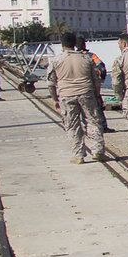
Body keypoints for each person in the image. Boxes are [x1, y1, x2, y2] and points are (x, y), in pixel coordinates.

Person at [49, 32, 106, 163]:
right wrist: (97, 95)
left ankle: (78, 155)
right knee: (93, 122)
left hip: (66, 95)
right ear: (75, 44)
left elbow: (51, 83)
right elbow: (96, 80)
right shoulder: (86, 58)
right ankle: (98, 151)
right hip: (86, 93)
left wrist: (55, 99)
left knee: (72, 125)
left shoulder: (56, 60)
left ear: (62, 44)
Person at [76, 35, 111, 132]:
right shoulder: (91, 56)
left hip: (77, 88)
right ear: (84, 44)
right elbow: (102, 68)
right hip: (91, 87)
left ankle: (84, 128)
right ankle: (103, 126)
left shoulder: (73, 57)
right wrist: (101, 80)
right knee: (97, 107)